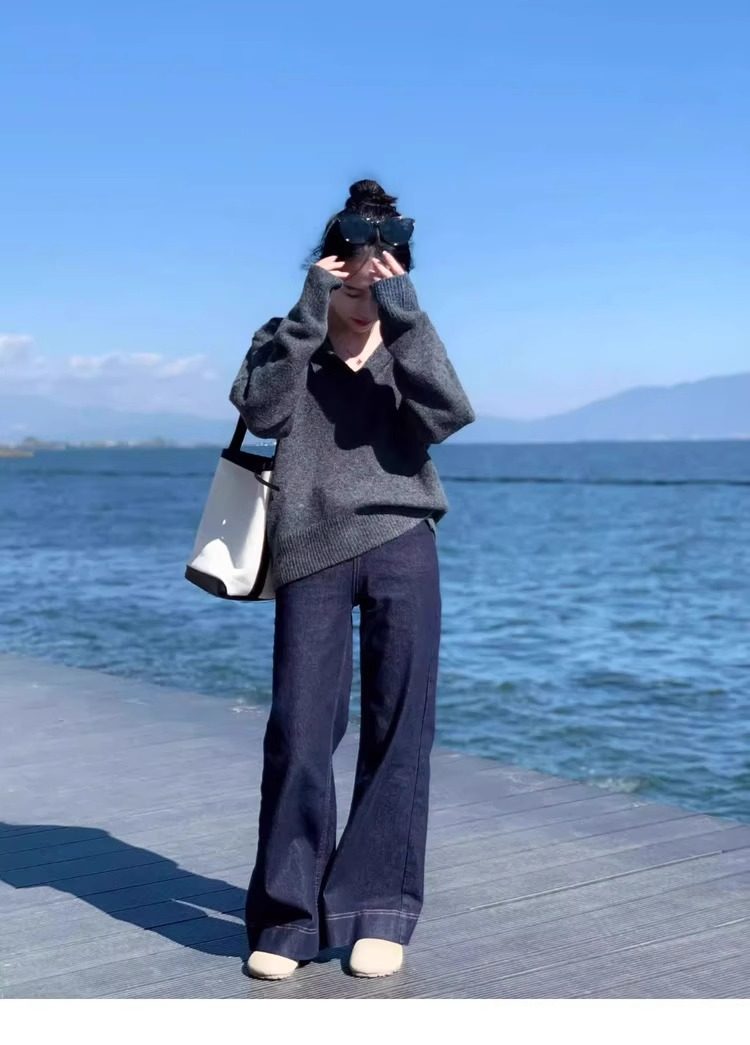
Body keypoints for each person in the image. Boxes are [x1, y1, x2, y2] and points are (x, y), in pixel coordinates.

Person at [228, 178, 476, 980]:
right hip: (311, 548)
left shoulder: (409, 344)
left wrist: (404, 314)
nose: (368, 288)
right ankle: (288, 918)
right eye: (356, 275)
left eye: (385, 275)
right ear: (327, 267)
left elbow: (447, 415)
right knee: (300, 729)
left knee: (400, 728)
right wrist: (309, 309)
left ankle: (380, 910)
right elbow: (263, 413)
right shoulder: (284, 337)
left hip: (403, 538)